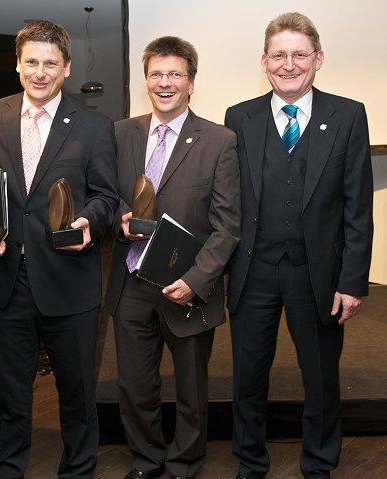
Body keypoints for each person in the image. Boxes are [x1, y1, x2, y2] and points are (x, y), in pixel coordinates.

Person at [0, 20, 118, 479]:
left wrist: (91, 220)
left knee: (77, 394)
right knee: (10, 394)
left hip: (71, 281)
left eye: (51, 63)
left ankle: (78, 471)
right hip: (9, 280)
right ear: (17, 64)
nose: (40, 72)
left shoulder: (93, 126)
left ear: (66, 68)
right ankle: (5, 470)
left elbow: (107, 195)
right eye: (32, 62)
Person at [224, 12, 373, 479]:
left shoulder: (347, 115)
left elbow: (357, 206)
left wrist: (352, 282)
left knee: (321, 379)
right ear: (264, 61)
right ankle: (250, 462)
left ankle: (319, 464)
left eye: (299, 54)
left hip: (319, 276)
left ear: (319, 59)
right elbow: (227, 199)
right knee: (248, 378)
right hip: (254, 272)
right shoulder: (239, 117)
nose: (289, 64)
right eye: (279, 55)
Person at [105, 36, 241, 479]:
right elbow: (105, 198)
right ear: (146, 80)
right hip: (131, 284)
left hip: (187, 287)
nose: (165, 83)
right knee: (135, 387)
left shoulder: (219, 141)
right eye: (157, 74)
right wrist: (116, 218)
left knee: (191, 390)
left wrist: (198, 280)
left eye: (175, 74)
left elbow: (227, 225)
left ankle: (184, 464)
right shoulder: (121, 133)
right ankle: (146, 461)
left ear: (191, 82)